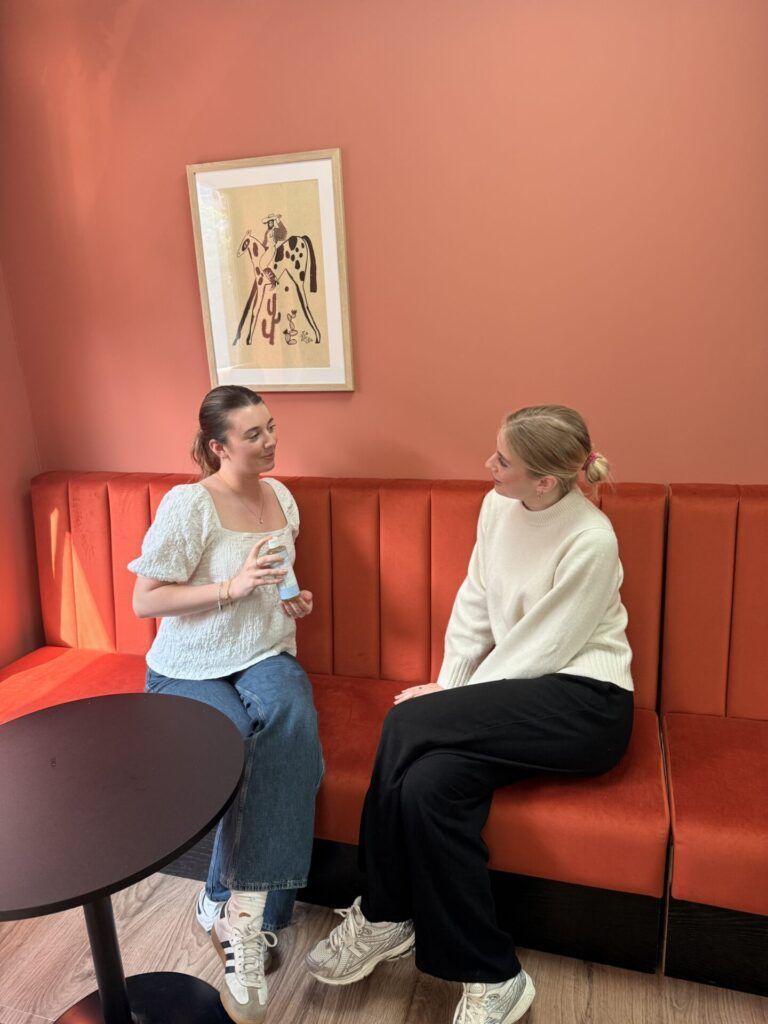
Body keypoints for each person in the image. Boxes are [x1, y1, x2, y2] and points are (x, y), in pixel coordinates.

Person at [305, 405, 634, 1024]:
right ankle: (494, 974)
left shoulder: (591, 538)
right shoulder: (496, 509)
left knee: (405, 722)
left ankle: (381, 912)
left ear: (545, 481)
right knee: (430, 788)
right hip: (512, 694)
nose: (489, 465)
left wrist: (452, 705)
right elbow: (476, 601)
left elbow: (547, 644)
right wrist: (449, 684)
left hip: (584, 703)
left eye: (502, 460)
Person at [128, 384, 323, 1024]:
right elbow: (145, 601)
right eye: (254, 434)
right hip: (188, 663)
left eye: (271, 427)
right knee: (233, 736)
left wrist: (291, 602)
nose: (270, 441)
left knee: (290, 722)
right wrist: (231, 587)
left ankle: (232, 908)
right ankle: (245, 911)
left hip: (265, 651)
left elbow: (279, 587)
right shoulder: (190, 505)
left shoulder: (282, 497)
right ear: (218, 446)